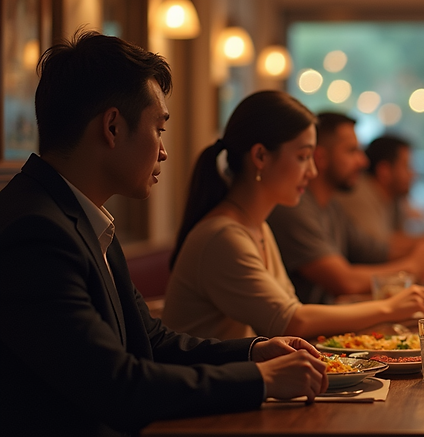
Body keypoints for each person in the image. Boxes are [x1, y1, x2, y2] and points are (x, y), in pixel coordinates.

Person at [0, 32, 328, 437]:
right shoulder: (35, 232)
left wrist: (253, 350)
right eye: (159, 128)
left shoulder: (82, 215)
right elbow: (115, 386)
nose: (164, 151)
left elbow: (152, 341)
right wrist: (263, 380)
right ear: (113, 127)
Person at [164, 95, 424, 340]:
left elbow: (295, 312)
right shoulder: (223, 236)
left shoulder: (257, 227)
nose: (312, 172)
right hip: (211, 393)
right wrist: (389, 307)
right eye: (303, 157)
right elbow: (292, 322)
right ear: (260, 156)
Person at [267, 113, 424, 304]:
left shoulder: (331, 207)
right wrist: (412, 266)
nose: (363, 162)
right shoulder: (294, 208)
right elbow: (344, 281)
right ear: (320, 157)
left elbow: (374, 250)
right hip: (311, 331)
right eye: (351, 151)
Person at [335, 134, 424, 258]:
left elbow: (398, 235)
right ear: (384, 171)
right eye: (407, 166)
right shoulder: (358, 193)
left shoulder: (394, 197)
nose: (414, 174)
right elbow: (379, 248)